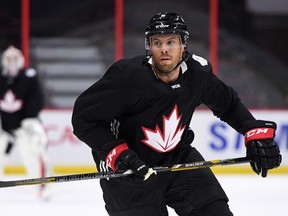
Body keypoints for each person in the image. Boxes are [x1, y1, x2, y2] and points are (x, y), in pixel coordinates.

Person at [71, 12, 281, 216]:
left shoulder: (198, 73)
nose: (164, 49)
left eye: (171, 42)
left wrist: (253, 133)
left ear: (183, 45)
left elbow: (228, 104)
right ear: (149, 46)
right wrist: (119, 155)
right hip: (129, 170)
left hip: (178, 159)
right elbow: (84, 118)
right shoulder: (127, 77)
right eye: (157, 43)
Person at [0, 45, 53, 199]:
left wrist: (28, 120)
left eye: (14, 58)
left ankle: (44, 185)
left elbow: (36, 101)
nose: (11, 62)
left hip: (25, 125)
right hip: (4, 126)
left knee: (35, 148)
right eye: (8, 58)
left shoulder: (29, 77)